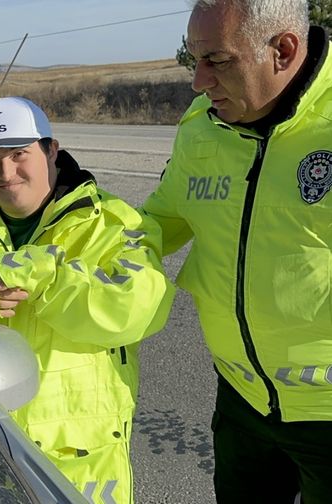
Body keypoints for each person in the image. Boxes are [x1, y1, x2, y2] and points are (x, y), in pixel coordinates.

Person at [0, 97, 175, 503]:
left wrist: (40, 271)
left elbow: (136, 307)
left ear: (51, 150)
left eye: (18, 154)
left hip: (78, 460)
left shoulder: (111, 223)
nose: (5, 173)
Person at [140, 1, 332, 501]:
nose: (198, 83)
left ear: (283, 50)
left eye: (218, 61)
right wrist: (68, 249)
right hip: (242, 402)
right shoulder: (202, 123)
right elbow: (162, 218)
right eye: (194, 60)